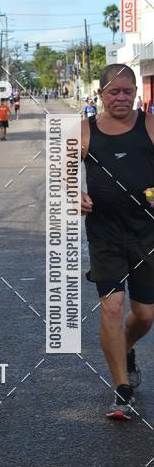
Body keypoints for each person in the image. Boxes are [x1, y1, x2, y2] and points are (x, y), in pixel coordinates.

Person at [81, 63, 154, 420]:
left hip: (147, 233)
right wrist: (73, 194)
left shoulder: (150, 126)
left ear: (136, 92)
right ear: (101, 95)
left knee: (144, 315)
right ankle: (122, 390)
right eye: (114, 91)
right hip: (104, 233)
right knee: (112, 307)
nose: (121, 97)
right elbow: (60, 180)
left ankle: (124, 348)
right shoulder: (84, 131)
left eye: (127, 90)